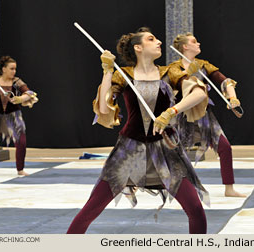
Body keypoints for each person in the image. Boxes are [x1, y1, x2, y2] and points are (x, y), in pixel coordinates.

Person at [67, 27, 210, 234]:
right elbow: (105, 108)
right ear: (138, 47)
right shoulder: (123, 74)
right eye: (152, 39)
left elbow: (198, 93)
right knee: (92, 208)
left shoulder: (169, 72)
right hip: (129, 150)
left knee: (196, 209)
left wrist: (171, 111)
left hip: (167, 150)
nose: (159, 41)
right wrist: (107, 72)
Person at [169, 32, 245, 197]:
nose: (198, 44)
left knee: (225, 147)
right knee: (174, 151)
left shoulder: (203, 65)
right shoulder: (174, 68)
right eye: (194, 42)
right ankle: (174, 187)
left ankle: (229, 188)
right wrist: (190, 74)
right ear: (185, 47)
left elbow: (224, 81)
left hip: (204, 114)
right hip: (182, 115)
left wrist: (232, 97)